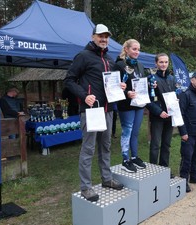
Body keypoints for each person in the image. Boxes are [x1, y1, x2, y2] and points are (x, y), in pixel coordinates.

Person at [63, 24, 125, 202]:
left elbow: (110, 83)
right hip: (91, 111)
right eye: (100, 36)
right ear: (93, 37)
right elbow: (69, 80)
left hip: (108, 110)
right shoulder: (83, 56)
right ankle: (86, 187)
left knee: (105, 147)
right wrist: (84, 96)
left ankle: (106, 179)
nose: (104, 39)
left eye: (106, 36)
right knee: (88, 149)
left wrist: (119, 86)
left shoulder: (110, 59)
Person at [114, 39, 147, 173]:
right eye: (134, 49)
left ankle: (134, 157)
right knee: (127, 131)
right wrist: (127, 92)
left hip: (139, 103)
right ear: (126, 49)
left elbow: (142, 82)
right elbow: (114, 86)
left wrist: (150, 85)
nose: (137, 52)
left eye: (138, 49)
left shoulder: (140, 64)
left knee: (135, 132)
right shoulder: (119, 65)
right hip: (126, 104)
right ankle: (125, 160)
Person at [146, 53, 176, 177]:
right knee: (155, 144)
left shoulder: (172, 78)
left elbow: (174, 95)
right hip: (157, 117)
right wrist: (159, 112)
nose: (164, 64)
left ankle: (164, 170)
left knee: (167, 144)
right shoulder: (151, 79)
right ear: (156, 63)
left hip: (170, 116)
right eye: (161, 62)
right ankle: (153, 171)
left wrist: (176, 102)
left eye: (166, 62)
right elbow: (147, 100)